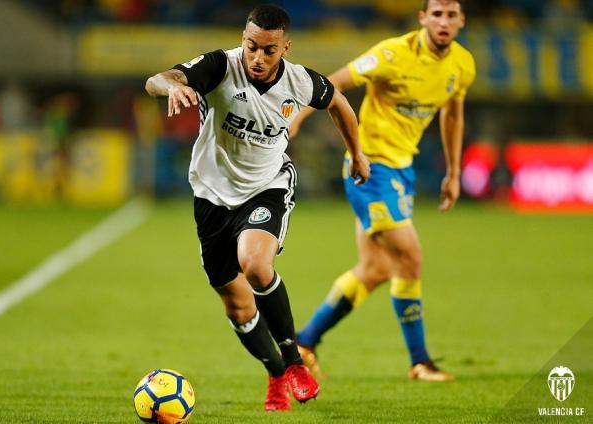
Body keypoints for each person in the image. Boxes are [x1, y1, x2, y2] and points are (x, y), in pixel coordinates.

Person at [145, 4, 370, 412]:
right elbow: (157, 79)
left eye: (269, 50)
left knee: (255, 264)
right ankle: (275, 372)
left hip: (267, 187)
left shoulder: (300, 82)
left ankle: (296, 362)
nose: (258, 58)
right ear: (243, 40)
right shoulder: (219, 66)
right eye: (252, 46)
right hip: (212, 197)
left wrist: (357, 153)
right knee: (237, 305)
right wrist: (173, 87)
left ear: (285, 47)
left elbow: (338, 102)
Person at [291, 0, 475, 382]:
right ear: (422, 18)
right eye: (436, 13)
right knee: (410, 258)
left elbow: (453, 112)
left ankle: (304, 342)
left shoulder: (462, 65)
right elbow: (333, 83)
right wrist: (296, 117)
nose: (443, 21)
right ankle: (420, 361)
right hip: (369, 168)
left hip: (402, 169)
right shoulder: (392, 54)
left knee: (374, 269)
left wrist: (454, 172)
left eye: (451, 14)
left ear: (461, 21)